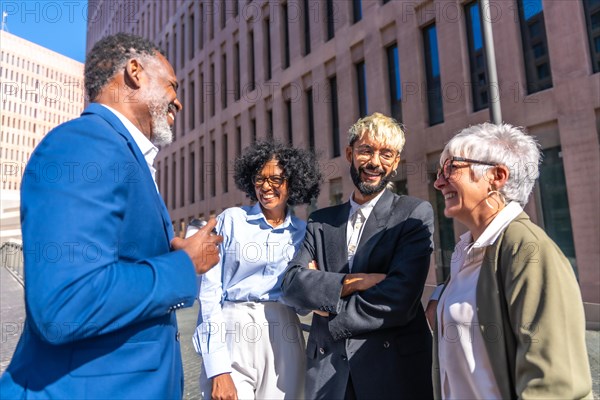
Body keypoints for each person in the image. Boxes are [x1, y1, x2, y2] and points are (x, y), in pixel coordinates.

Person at [0, 33, 223, 399]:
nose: (179, 102)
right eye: (172, 85)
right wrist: (184, 264)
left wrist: (166, 256)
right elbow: (65, 302)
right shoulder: (84, 143)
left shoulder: (121, 154)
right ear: (134, 72)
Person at [430, 123, 592, 399]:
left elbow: (554, 386)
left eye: (451, 168)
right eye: (439, 171)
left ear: (497, 176)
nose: (439, 182)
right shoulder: (468, 251)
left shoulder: (528, 250)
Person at [281, 112, 435, 399]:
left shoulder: (413, 214)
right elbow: (291, 285)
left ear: (396, 162)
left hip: (390, 372)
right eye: (366, 151)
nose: (375, 162)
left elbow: (399, 298)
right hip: (328, 372)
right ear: (350, 153)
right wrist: (350, 283)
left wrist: (326, 303)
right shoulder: (320, 220)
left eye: (386, 154)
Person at [193, 141, 322, 400]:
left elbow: (303, 307)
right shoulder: (230, 220)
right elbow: (208, 295)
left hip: (284, 336)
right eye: (259, 178)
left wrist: (311, 282)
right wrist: (217, 368)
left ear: (292, 182)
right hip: (232, 330)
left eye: (275, 179)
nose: (265, 186)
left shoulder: (303, 232)